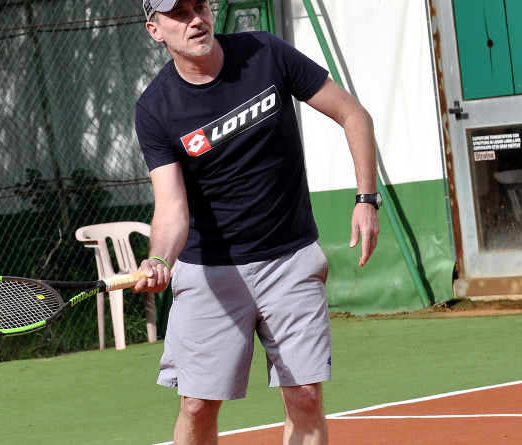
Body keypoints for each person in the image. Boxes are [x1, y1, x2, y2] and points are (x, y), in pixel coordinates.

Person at [132, 1, 381, 443]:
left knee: (305, 396)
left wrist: (367, 199)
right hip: (210, 271)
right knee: (197, 405)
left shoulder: (266, 53)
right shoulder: (155, 107)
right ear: (155, 30)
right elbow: (171, 207)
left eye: (199, 5)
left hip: (289, 259)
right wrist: (159, 259)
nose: (196, 19)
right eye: (179, 13)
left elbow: (353, 114)